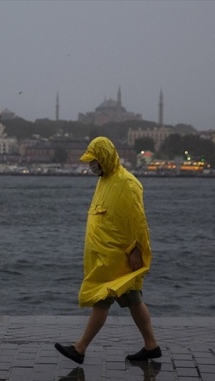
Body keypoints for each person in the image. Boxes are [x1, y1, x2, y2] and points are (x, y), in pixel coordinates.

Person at [55, 136, 161, 364]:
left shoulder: (127, 183)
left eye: (94, 160)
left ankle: (80, 348)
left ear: (104, 157)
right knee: (134, 300)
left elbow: (138, 221)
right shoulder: (104, 180)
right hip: (105, 257)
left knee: (102, 300)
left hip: (117, 258)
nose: (91, 165)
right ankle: (151, 345)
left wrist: (137, 250)